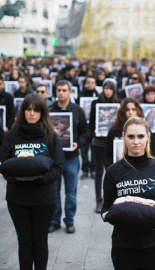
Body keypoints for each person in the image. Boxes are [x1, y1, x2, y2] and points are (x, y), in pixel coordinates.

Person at [0, 94, 65, 270]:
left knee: (40, 241)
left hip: (43, 198)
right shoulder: (13, 135)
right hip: (17, 198)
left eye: (36, 110)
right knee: (25, 242)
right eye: (28, 109)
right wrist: (17, 178)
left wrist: (39, 178)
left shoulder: (51, 135)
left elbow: (58, 167)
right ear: (23, 111)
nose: (31, 113)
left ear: (42, 112)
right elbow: (3, 165)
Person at [101, 116, 155, 270]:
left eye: (141, 136)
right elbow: (105, 208)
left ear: (148, 137)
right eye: (131, 136)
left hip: (153, 245)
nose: (136, 142)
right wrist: (116, 207)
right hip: (123, 245)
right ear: (123, 137)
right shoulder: (113, 171)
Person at [49, 80, 88, 234]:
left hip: (71, 157)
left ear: (70, 92)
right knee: (54, 191)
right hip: (54, 159)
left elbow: (86, 131)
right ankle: (55, 220)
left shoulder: (77, 110)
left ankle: (69, 220)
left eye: (64, 90)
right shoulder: (50, 110)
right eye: (58, 90)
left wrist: (78, 144)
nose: (61, 93)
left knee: (70, 192)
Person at [89, 78, 119, 213]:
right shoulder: (96, 103)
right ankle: (98, 199)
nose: (108, 91)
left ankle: (111, 198)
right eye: (106, 88)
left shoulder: (118, 104)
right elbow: (91, 123)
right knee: (99, 172)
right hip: (99, 141)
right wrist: (95, 129)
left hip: (113, 142)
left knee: (112, 172)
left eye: (110, 88)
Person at [78, 76, 99, 179]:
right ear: (85, 84)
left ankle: (94, 169)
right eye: (88, 82)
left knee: (94, 150)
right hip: (83, 126)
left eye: (92, 82)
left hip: (93, 127)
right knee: (84, 150)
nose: (90, 84)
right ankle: (85, 170)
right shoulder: (81, 95)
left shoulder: (98, 96)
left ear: (95, 84)